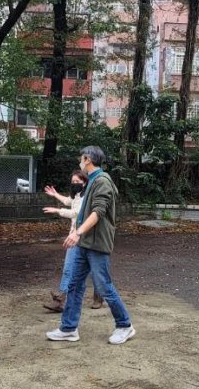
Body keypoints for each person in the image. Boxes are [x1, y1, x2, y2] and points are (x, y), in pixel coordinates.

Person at [46, 145, 135, 345]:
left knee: (104, 286)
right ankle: (68, 329)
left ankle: (125, 325)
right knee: (74, 285)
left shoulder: (102, 181)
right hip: (85, 243)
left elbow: (98, 212)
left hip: (96, 244)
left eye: (81, 159)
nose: (80, 162)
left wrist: (77, 232)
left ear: (87, 159)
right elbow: (80, 209)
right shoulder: (91, 181)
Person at [41, 170, 105, 313]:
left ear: (85, 182)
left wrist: (57, 211)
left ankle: (99, 296)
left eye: (78, 182)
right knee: (68, 268)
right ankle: (60, 300)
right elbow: (68, 201)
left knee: (95, 271)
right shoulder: (77, 195)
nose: (75, 184)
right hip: (74, 237)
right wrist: (55, 194)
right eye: (73, 182)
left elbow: (76, 213)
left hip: (86, 237)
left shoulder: (87, 197)